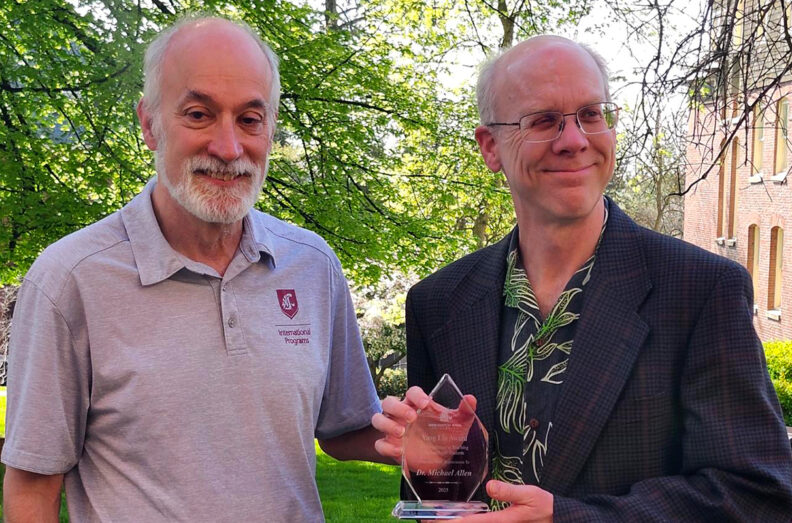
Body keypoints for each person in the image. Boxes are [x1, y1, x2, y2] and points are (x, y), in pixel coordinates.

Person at [372, 35, 792, 521]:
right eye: (544, 120)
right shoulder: (438, 303)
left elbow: (758, 494)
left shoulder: (700, 291)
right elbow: (435, 500)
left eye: (591, 114)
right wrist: (429, 464)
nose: (574, 140)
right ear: (490, 146)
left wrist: (568, 518)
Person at [2, 15, 384, 521]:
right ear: (149, 123)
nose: (228, 148)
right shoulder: (70, 278)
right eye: (199, 114)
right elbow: (31, 487)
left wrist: (416, 438)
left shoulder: (311, 265)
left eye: (250, 119)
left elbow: (344, 428)